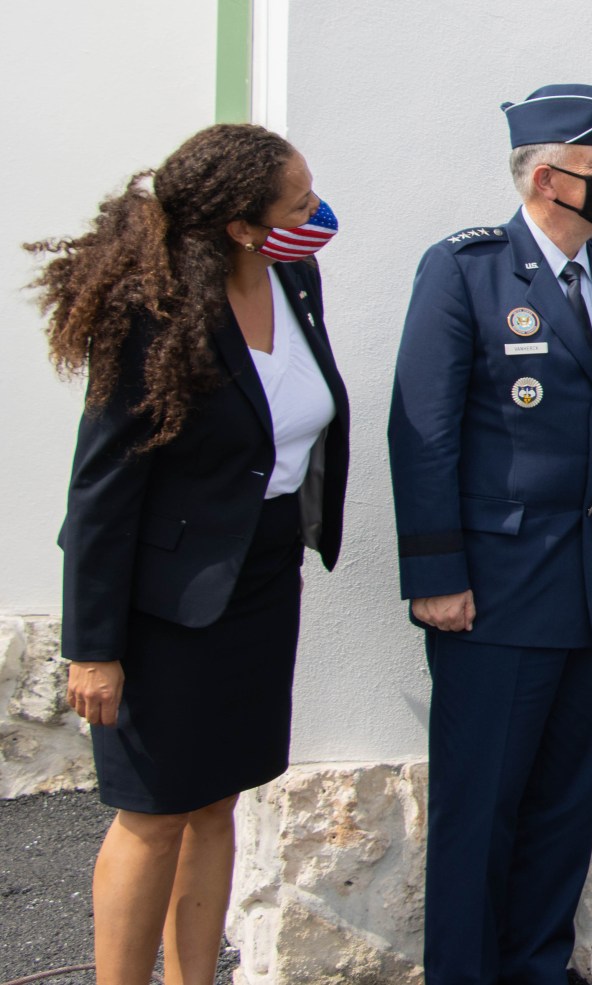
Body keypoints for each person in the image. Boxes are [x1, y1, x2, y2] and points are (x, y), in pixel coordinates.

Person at [31, 124, 349, 985]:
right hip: (161, 599)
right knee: (153, 811)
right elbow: (101, 489)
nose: (315, 211)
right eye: (297, 200)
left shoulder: (296, 276)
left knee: (218, 798)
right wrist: (92, 646)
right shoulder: (154, 308)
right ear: (244, 224)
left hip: (258, 579)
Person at [389, 83, 592, 985]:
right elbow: (421, 427)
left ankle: (538, 968)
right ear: (547, 177)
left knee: (563, 805)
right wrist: (435, 570)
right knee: (482, 807)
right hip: (493, 587)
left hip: (590, 581)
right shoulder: (466, 269)